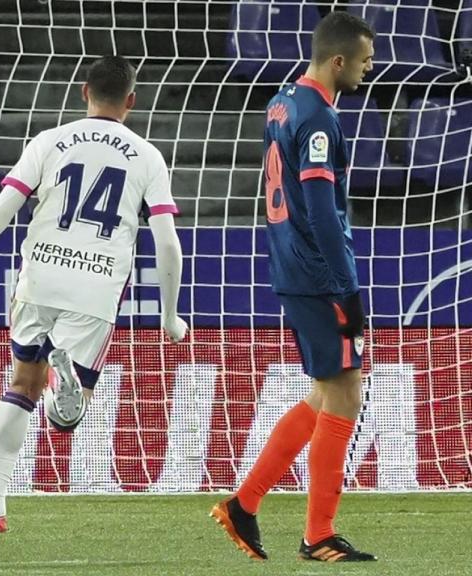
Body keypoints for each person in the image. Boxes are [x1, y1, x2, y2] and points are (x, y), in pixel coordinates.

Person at [0, 56, 188, 534]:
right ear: (131, 100)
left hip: (39, 277)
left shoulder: (49, 141)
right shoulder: (146, 155)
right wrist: (170, 316)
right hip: (97, 285)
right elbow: (167, 242)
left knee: (19, 384)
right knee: (68, 417)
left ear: (84, 91)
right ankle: (63, 390)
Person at [209, 11, 377, 563]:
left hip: (290, 265)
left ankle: (246, 502)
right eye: (363, 60)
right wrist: (348, 286)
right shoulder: (320, 118)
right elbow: (324, 211)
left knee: (325, 393)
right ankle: (318, 533)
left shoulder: (282, 102)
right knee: (346, 395)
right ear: (337, 61)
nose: (367, 70)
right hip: (318, 272)